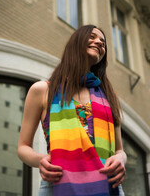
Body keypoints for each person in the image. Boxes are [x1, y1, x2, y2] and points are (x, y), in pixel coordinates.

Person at [17, 25, 127, 196]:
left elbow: (119, 149)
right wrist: (42, 160)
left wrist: (121, 158)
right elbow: (23, 147)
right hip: (58, 183)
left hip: (108, 184)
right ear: (75, 43)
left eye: (103, 42)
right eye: (92, 37)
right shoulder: (42, 91)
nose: (99, 42)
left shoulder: (109, 97)